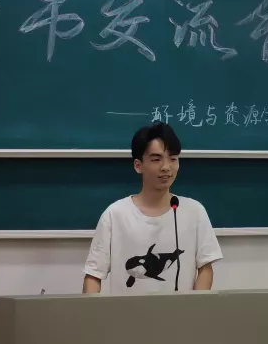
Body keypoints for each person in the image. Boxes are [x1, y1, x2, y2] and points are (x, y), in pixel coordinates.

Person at [83, 123, 222, 294]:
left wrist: (195, 306)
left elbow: (205, 269)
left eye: (173, 159)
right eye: (156, 159)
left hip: (180, 312)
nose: (166, 167)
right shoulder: (115, 215)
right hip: (126, 312)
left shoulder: (195, 212)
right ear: (138, 165)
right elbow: (93, 276)